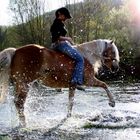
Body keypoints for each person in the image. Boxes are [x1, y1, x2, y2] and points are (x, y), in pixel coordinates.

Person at [50, 7, 84, 87]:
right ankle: (75, 80)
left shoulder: (59, 23)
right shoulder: (57, 23)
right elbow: (56, 37)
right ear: (60, 14)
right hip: (60, 44)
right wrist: (67, 39)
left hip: (59, 44)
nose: (66, 18)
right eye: (65, 16)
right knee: (80, 59)